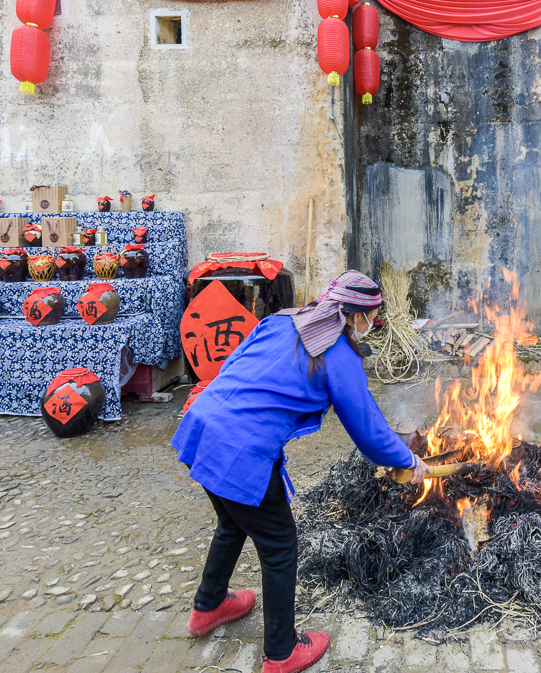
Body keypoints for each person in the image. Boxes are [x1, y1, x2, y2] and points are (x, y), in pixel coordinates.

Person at [171, 271, 430, 673]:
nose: (371, 326)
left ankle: (209, 605)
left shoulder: (281, 320)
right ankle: (281, 652)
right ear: (350, 314)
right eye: (371, 318)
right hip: (243, 451)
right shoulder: (338, 355)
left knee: (232, 521)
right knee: (279, 546)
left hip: (202, 424)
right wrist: (409, 461)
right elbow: (368, 429)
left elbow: (235, 364)